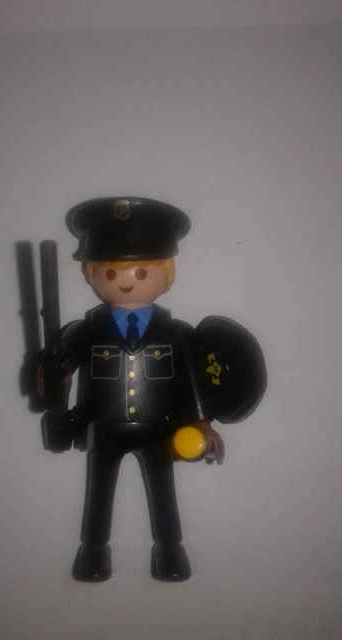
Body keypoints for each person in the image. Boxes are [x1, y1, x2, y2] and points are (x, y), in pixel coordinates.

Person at [38, 197, 265, 582]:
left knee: (163, 493)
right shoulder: (86, 332)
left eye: (142, 272)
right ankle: (94, 551)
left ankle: (170, 550)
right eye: (111, 272)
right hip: (104, 428)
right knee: (99, 491)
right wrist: (53, 373)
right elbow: (58, 370)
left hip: (159, 428)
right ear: (93, 275)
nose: (125, 280)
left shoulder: (176, 334)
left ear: (166, 274)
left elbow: (194, 380)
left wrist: (202, 423)